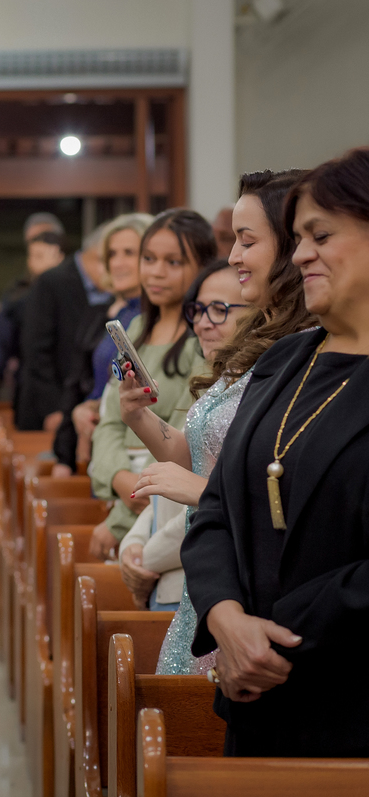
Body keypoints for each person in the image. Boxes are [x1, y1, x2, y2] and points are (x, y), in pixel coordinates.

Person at [181, 149, 369, 757]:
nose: (301, 254)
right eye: (297, 238)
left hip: (348, 704)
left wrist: (267, 637)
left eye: (321, 235)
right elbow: (216, 510)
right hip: (254, 703)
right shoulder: (286, 359)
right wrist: (224, 618)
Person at [120, 169, 312, 676]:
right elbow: (199, 453)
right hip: (211, 578)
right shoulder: (254, 344)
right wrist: (138, 416)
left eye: (247, 241)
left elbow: (292, 501)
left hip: (254, 583)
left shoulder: (309, 352)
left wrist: (203, 493)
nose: (232, 257)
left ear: (292, 247)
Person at [115, 260, 251, 614]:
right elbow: (189, 465)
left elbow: (208, 490)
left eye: (219, 310)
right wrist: (136, 414)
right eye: (199, 310)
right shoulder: (223, 381)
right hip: (179, 569)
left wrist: (146, 557)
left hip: (212, 572)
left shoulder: (263, 385)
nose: (203, 323)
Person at [87, 209, 213, 559]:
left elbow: (185, 439)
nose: (156, 272)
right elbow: (111, 421)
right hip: (127, 496)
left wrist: (121, 517)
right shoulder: (138, 328)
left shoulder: (203, 338)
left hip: (165, 504)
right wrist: (119, 478)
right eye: (149, 259)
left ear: (203, 267)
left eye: (173, 262)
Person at [53, 213, 153, 474]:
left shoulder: (151, 316)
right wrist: (84, 410)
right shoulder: (114, 313)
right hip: (100, 442)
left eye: (128, 253)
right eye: (112, 254)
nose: (117, 263)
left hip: (135, 449)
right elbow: (86, 383)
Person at [19, 224, 110, 431]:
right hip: (50, 409)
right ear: (96, 254)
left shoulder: (113, 292)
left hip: (85, 409)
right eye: (111, 257)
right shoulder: (52, 281)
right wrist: (54, 408)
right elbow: (36, 351)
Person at [0, 212, 65, 415]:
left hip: (64, 384)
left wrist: (49, 277)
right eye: (33, 244)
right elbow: (0, 338)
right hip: (29, 384)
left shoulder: (72, 286)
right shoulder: (18, 292)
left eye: (46, 240)